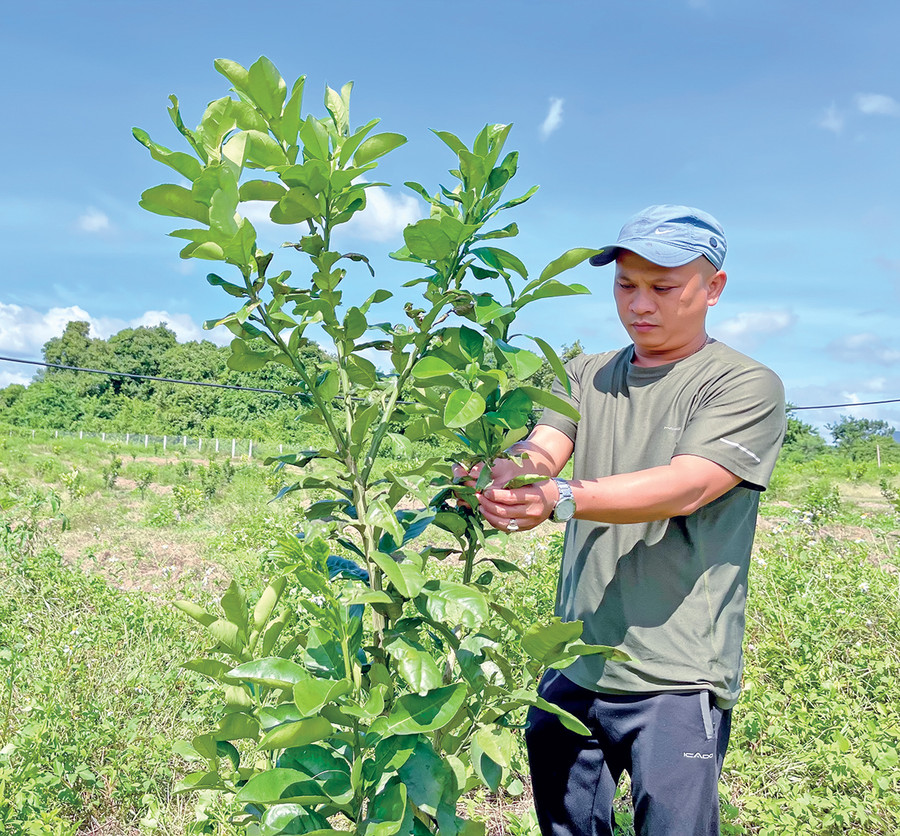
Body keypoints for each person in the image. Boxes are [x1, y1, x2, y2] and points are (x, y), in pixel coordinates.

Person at [471, 205, 786, 835]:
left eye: (663, 287)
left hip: (676, 676)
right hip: (576, 665)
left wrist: (559, 498)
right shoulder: (586, 373)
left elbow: (688, 484)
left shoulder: (743, 384)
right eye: (626, 285)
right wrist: (504, 477)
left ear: (713, 288)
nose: (640, 304)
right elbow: (543, 448)